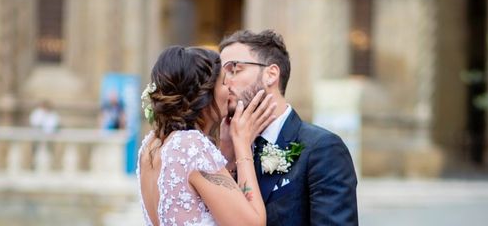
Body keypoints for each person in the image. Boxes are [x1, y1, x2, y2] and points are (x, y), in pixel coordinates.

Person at [219, 29, 359, 226]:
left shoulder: (322, 148)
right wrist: (228, 157)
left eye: (234, 69)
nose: (225, 82)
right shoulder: (222, 147)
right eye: (220, 73)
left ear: (271, 74)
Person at [137, 46, 277, 226]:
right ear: (205, 93)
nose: (230, 89)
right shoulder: (190, 146)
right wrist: (242, 143)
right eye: (224, 83)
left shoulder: (151, 144)